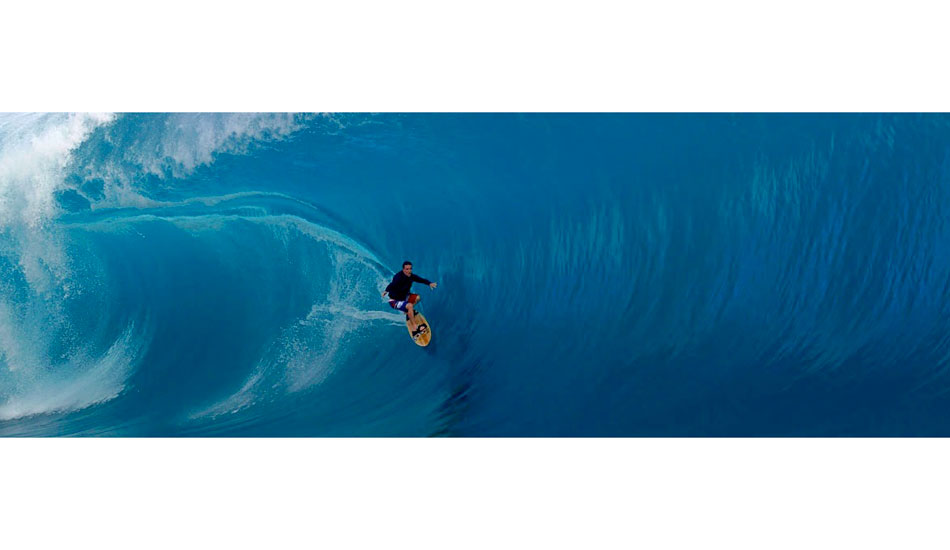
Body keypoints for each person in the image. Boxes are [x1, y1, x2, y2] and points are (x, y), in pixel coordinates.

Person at [382, 261, 437, 337]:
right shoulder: (398, 277)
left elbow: (421, 280)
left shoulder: (411, 276)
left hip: (404, 297)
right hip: (394, 301)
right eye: (407, 269)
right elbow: (392, 285)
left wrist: (429, 283)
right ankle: (415, 329)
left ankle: (407, 311)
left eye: (410, 269)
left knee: (417, 298)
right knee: (410, 306)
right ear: (403, 269)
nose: (409, 271)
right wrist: (386, 291)